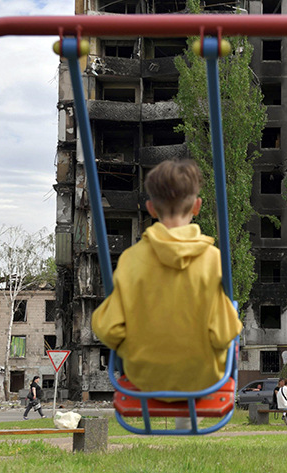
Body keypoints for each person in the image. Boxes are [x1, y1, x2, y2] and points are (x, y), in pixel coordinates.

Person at [91, 159, 243, 400]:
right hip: (202, 379)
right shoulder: (213, 259)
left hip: (145, 378)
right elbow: (223, 332)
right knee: (231, 319)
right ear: (197, 206)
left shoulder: (131, 260)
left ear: (151, 208)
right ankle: (188, 404)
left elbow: (108, 328)